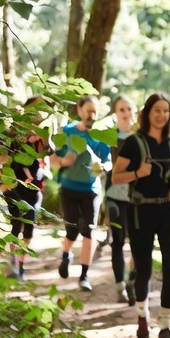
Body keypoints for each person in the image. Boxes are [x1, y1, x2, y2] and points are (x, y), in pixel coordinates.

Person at [113, 92, 170, 338]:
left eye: (166, 111)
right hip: (141, 211)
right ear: (147, 114)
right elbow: (116, 178)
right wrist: (137, 172)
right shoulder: (134, 142)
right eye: (157, 111)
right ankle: (142, 315)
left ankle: (166, 328)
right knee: (143, 269)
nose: (162, 115)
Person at [56, 95, 112, 291]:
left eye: (95, 111)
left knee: (89, 230)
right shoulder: (68, 131)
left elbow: (109, 160)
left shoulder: (101, 134)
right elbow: (53, 159)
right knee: (71, 230)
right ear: (79, 110)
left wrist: (104, 165)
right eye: (88, 111)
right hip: (69, 187)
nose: (92, 115)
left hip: (92, 190)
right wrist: (64, 162)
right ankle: (66, 255)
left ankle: (84, 276)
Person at [0, 95, 51, 280]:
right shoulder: (12, 131)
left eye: (43, 110)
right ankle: (13, 263)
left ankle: (20, 264)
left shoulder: (43, 134)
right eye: (35, 109)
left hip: (35, 185)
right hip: (13, 183)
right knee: (16, 222)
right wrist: (1, 183)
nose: (39, 113)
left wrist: (43, 136)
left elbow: (48, 152)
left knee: (29, 225)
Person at [104, 95, 137, 305]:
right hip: (115, 196)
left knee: (137, 244)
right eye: (121, 109)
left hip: (137, 198)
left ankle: (131, 282)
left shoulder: (142, 136)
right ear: (115, 113)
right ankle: (119, 288)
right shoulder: (109, 138)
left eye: (128, 109)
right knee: (117, 243)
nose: (125, 113)